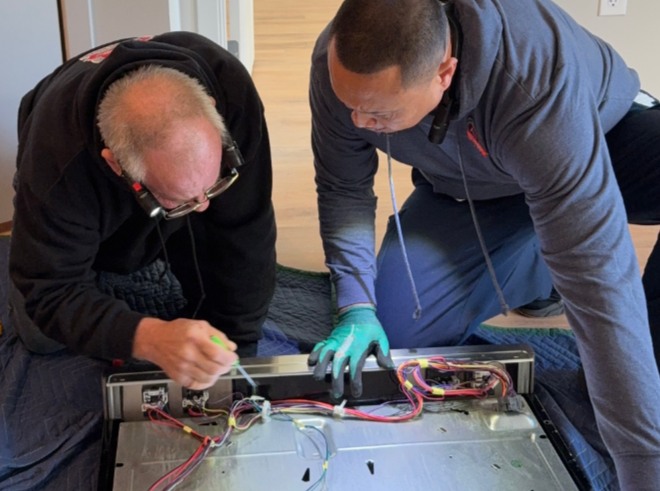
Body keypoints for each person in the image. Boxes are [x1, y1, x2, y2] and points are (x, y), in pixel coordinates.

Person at [306, 0, 660, 488]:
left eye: (379, 113)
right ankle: (539, 259)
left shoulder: (533, 81)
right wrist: (355, 306)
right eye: (351, 106)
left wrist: (643, 463)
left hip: (599, 136)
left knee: (618, 343)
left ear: (444, 72)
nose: (359, 123)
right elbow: (342, 187)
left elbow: (601, 286)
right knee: (396, 329)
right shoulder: (338, 65)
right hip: (478, 184)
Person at [9, 32, 276, 390]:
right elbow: (51, 291)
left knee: (208, 239)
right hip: (65, 167)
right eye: (180, 199)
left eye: (215, 181)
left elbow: (248, 230)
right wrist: (148, 338)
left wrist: (240, 344)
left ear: (213, 109)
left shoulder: (232, 91)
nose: (204, 205)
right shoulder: (55, 168)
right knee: (42, 336)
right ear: (116, 167)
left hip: (152, 172)